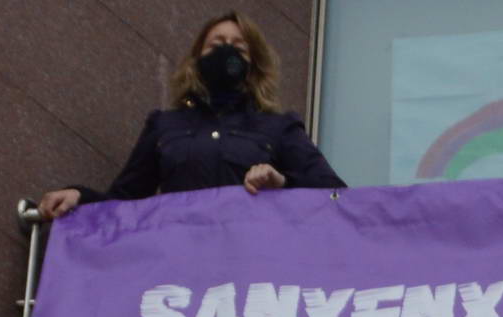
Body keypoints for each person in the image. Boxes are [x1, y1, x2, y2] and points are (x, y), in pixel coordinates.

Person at [38, 13, 345, 216]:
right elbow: (125, 202)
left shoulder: (278, 127)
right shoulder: (164, 126)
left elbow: (334, 193)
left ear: (254, 65)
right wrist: (79, 196)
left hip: (250, 265)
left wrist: (281, 182)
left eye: (240, 48)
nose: (227, 53)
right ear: (197, 58)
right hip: (181, 265)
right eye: (217, 45)